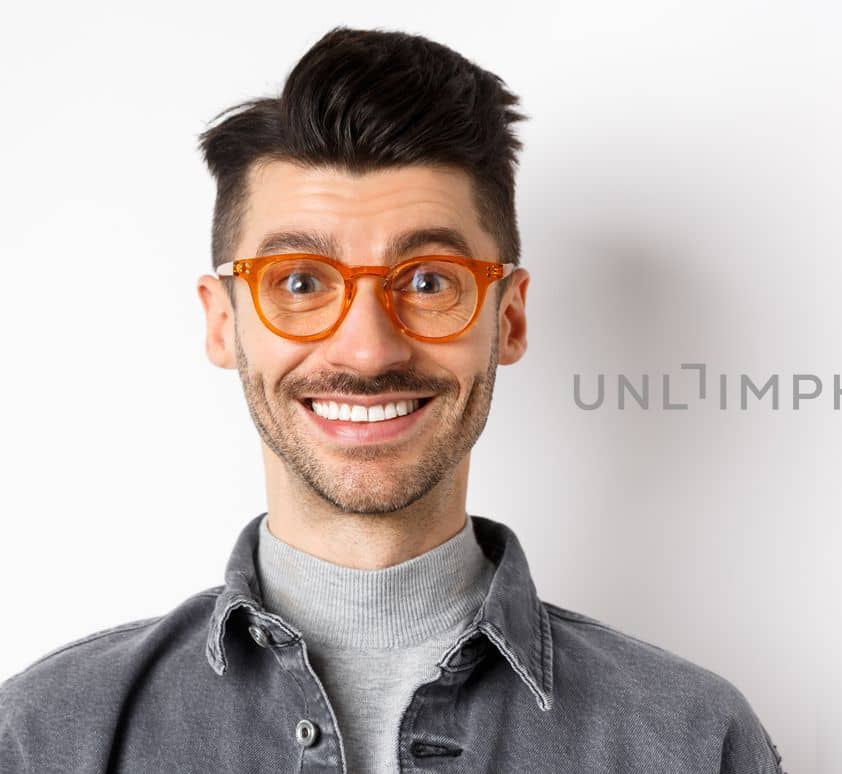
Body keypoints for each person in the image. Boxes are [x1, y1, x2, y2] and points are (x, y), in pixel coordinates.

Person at [0, 26, 783, 774]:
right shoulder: (47, 736)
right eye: (301, 283)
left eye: (430, 282)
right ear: (221, 323)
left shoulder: (690, 742)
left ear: (506, 318)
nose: (368, 349)